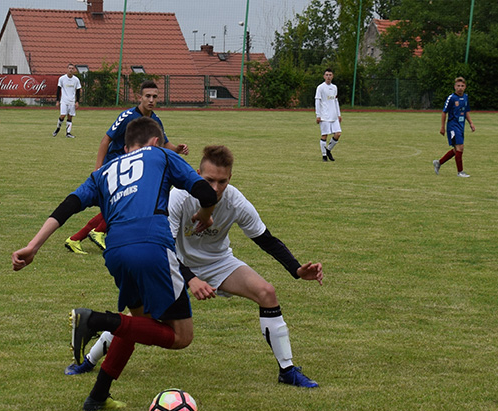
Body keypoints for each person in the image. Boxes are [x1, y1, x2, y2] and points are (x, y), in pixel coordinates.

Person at [66, 145, 324, 388]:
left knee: (266, 292)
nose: (216, 188)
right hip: (171, 261)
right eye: (209, 180)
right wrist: (191, 279)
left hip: (218, 262)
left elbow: (265, 239)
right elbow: (164, 247)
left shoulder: (235, 201)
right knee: (141, 318)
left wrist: (296, 269)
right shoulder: (178, 197)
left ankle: (287, 370)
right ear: (197, 174)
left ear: (230, 178)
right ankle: (89, 360)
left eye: (222, 181)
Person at [12, 117, 217, 411]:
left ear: (125, 148)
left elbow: (69, 205)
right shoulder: (161, 155)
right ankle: (95, 321)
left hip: (116, 250)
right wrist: (206, 215)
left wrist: (33, 246)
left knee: (138, 323)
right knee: (182, 337)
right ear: (156, 142)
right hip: (152, 245)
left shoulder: (104, 171)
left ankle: (98, 395)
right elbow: (207, 193)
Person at [64, 80, 190, 255]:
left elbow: (164, 143)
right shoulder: (127, 116)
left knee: (122, 203)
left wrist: (177, 149)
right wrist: (98, 168)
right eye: (147, 96)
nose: (151, 100)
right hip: (115, 165)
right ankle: (95, 232)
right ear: (139, 97)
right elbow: (106, 139)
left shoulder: (155, 120)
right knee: (124, 203)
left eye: (154, 97)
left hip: (134, 168)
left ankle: (78, 238)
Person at [433, 77, 475, 178]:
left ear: (465, 87)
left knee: (457, 150)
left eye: (462, 86)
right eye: (458, 86)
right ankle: (460, 172)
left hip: (461, 126)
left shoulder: (465, 97)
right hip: (452, 126)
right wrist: (442, 127)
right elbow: (444, 112)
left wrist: (471, 123)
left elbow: (466, 111)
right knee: (460, 148)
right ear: (454, 87)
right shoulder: (451, 98)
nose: (460, 88)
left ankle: (439, 162)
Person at [315, 68, 341, 162]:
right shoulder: (320, 87)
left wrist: (338, 114)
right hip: (324, 116)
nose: (328, 77)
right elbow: (317, 101)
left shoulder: (334, 87)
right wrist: (318, 115)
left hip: (334, 115)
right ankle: (324, 156)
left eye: (330, 75)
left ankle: (328, 150)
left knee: (338, 134)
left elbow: (335, 101)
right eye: (327, 75)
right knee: (324, 135)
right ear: (324, 76)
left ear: (332, 76)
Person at [53, 64, 82, 138]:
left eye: (72, 68)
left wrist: (77, 101)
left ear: (74, 70)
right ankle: (58, 128)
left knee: (70, 117)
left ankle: (68, 133)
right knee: (63, 115)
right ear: (67, 69)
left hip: (72, 101)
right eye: (69, 68)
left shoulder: (76, 80)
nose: (71, 70)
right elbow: (58, 89)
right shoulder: (62, 78)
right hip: (64, 101)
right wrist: (57, 100)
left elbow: (78, 91)